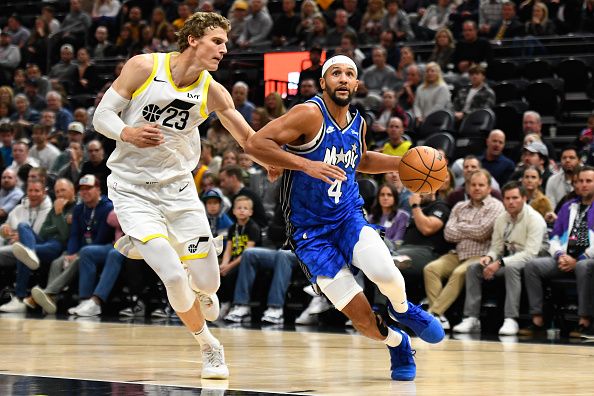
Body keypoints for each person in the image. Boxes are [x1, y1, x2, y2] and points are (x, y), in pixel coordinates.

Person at [92, 12, 275, 380]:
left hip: (178, 189)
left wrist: (273, 162)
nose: (224, 49)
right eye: (217, 41)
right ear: (193, 39)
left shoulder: (212, 91)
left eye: (225, 42)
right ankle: (209, 345)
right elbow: (101, 116)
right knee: (174, 277)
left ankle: (150, 246)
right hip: (132, 188)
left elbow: (247, 138)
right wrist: (127, 132)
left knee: (208, 284)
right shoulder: (144, 67)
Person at [246, 55, 445, 381]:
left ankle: (403, 308)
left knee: (386, 272)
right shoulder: (308, 113)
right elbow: (256, 143)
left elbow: (361, 158)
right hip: (310, 233)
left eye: (349, 74)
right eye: (335, 73)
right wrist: (305, 164)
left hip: (347, 217)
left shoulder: (358, 122)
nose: (342, 78)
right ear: (324, 82)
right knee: (364, 322)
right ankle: (398, 341)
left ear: (355, 84)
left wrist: (401, 163)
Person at [453, 181, 547, 335]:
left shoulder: (534, 218)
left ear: (524, 198)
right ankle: (471, 318)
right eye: (507, 198)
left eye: (515, 198)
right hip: (509, 258)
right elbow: (496, 247)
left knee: (511, 268)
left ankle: (511, 319)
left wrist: (500, 262)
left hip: (534, 261)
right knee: (474, 268)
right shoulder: (502, 218)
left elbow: (531, 254)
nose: (511, 202)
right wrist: (489, 257)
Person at [424, 169, 504, 329]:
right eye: (473, 185)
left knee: (459, 272)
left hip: (481, 255)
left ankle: (433, 314)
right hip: (457, 254)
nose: (477, 188)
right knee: (430, 269)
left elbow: (483, 232)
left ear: (489, 188)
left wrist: (461, 228)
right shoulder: (459, 206)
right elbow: (448, 233)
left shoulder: (496, 206)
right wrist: (471, 229)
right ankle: (441, 318)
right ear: (467, 187)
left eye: (481, 185)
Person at [520, 166, 594, 338]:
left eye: (588, 181)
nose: (583, 185)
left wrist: (580, 257)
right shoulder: (568, 207)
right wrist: (560, 255)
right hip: (565, 257)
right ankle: (538, 320)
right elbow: (554, 237)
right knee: (532, 266)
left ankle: (585, 321)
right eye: (580, 181)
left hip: (587, 259)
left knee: (583, 266)